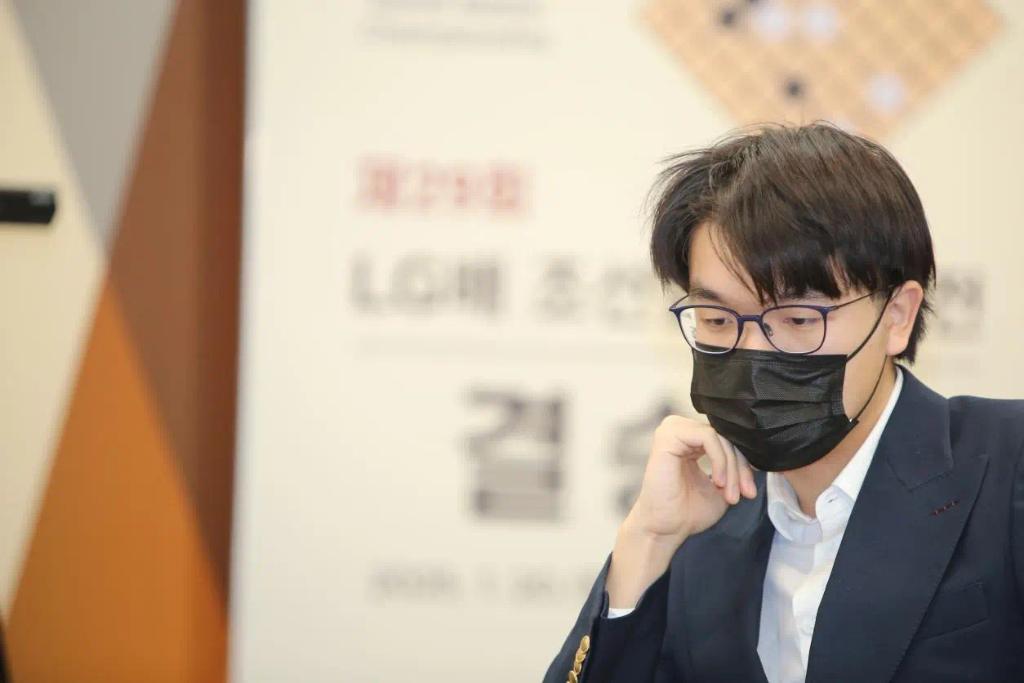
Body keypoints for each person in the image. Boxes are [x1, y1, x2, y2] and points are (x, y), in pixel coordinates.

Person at [543, 122, 1024, 683]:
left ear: (897, 316)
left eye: (797, 319)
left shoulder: (1006, 465)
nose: (752, 352)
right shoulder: (699, 523)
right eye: (717, 319)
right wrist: (647, 539)